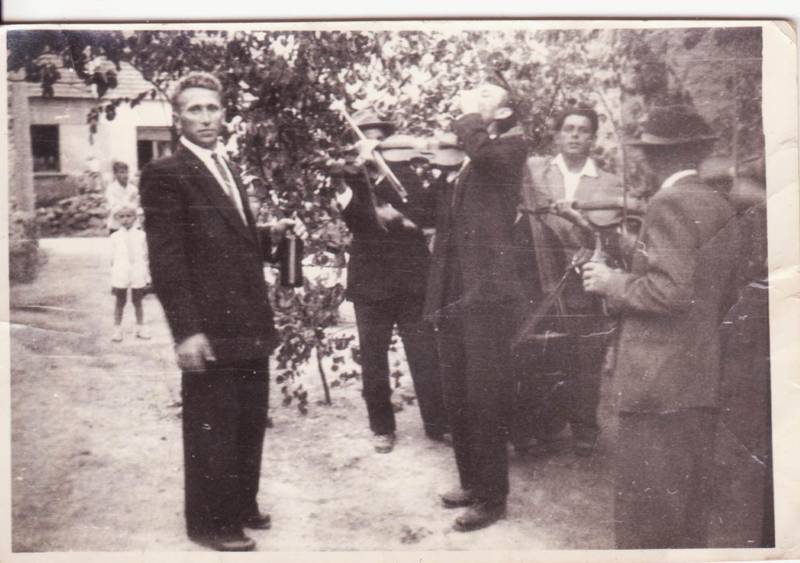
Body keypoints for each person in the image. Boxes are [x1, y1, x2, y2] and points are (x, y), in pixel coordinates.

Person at [140, 71, 302, 552]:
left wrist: (270, 234)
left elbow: (231, 238)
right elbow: (167, 259)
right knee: (213, 423)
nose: (206, 117)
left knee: (249, 419)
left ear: (224, 113)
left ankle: (241, 503)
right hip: (209, 326)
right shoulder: (166, 173)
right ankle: (210, 523)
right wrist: (186, 332)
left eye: (212, 108)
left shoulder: (225, 165)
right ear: (178, 118)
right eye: (195, 109)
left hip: (249, 320)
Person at [580, 105, 742, 548]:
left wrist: (611, 282)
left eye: (647, 153)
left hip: (656, 385)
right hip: (698, 381)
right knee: (686, 515)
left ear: (657, 157)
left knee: (646, 520)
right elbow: (714, 292)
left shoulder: (669, 202)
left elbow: (671, 292)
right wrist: (636, 258)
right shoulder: (719, 203)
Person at [423, 82, 528, 531]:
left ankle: (492, 498)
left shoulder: (510, 149)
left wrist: (466, 114)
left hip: (487, 297)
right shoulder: (472, 159)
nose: (473, 96)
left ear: (502, 114)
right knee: (458, 394)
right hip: (455, 295)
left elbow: (484, 154)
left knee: (485, 397)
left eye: (485, 95)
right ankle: (471, 482)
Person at [332, 109, 448, 453]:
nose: (374, 144)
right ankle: (382, 427)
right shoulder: (350, 176)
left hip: (413, 279)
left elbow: (423, 212)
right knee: (373, 360)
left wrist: (385, 185)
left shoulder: (408, 172)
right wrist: (354, 177)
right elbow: (358, 221)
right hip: (371, 283)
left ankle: (437, 423)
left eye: (379, 138)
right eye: (365, 137)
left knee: (425, 354)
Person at [513, 107, 624, 456]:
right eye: (569, 129)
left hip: (582, 279)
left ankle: (584, 428)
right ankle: (541, 427)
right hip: (536, 276)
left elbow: (613, 238)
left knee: (585, 356)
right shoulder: (534, 171)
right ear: (558, 135)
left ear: (593, 138)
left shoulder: (609, 183)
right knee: (538, 352)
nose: (575, 135)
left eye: (583, 130)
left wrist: (583, 229)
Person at [109, 205, 150, 342]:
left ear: (135, 217)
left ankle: (140, 328)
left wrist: (147, 276)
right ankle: (117, 329)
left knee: (137, 301)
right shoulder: (114, 237)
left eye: (129, 216)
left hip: (137, 271)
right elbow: (112, 258)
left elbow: (145, 256)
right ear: (117, 218)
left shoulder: (142, 236)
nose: (125, 219)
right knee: (120, 301)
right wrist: (113, 279)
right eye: (121, 216)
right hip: (121, 271)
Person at [106, 161, 140, 233]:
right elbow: (114, 209)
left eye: (127, 172)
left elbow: (135, 208)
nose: (125, 175)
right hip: (116, 226)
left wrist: (122, 204)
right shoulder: (111, 189)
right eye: (122, 172)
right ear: (115, 174)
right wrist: (128, 200)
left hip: (133, 226)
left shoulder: (133, 189)